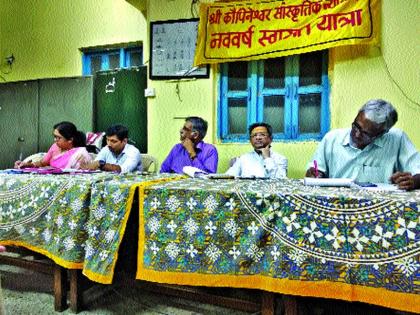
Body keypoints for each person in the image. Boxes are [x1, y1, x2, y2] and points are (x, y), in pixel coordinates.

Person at [305, 99, 420, 190]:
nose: (357, 134)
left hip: (379, 209)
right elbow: (315, 169)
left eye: (366, 133)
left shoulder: (397, 139)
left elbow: (418, 173)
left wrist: (412, 181)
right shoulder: (332, 139)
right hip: (335, 205)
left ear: (382, 133)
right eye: (356, 126)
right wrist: (314, 174)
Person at [14, 121, 91, 169]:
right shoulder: (55, 147)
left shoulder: (80, 154)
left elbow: (83, 172)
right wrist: (27, 164)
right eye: (54, 137)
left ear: (70, 140)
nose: (55, 140)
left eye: (59, 138)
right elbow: (42, 163)